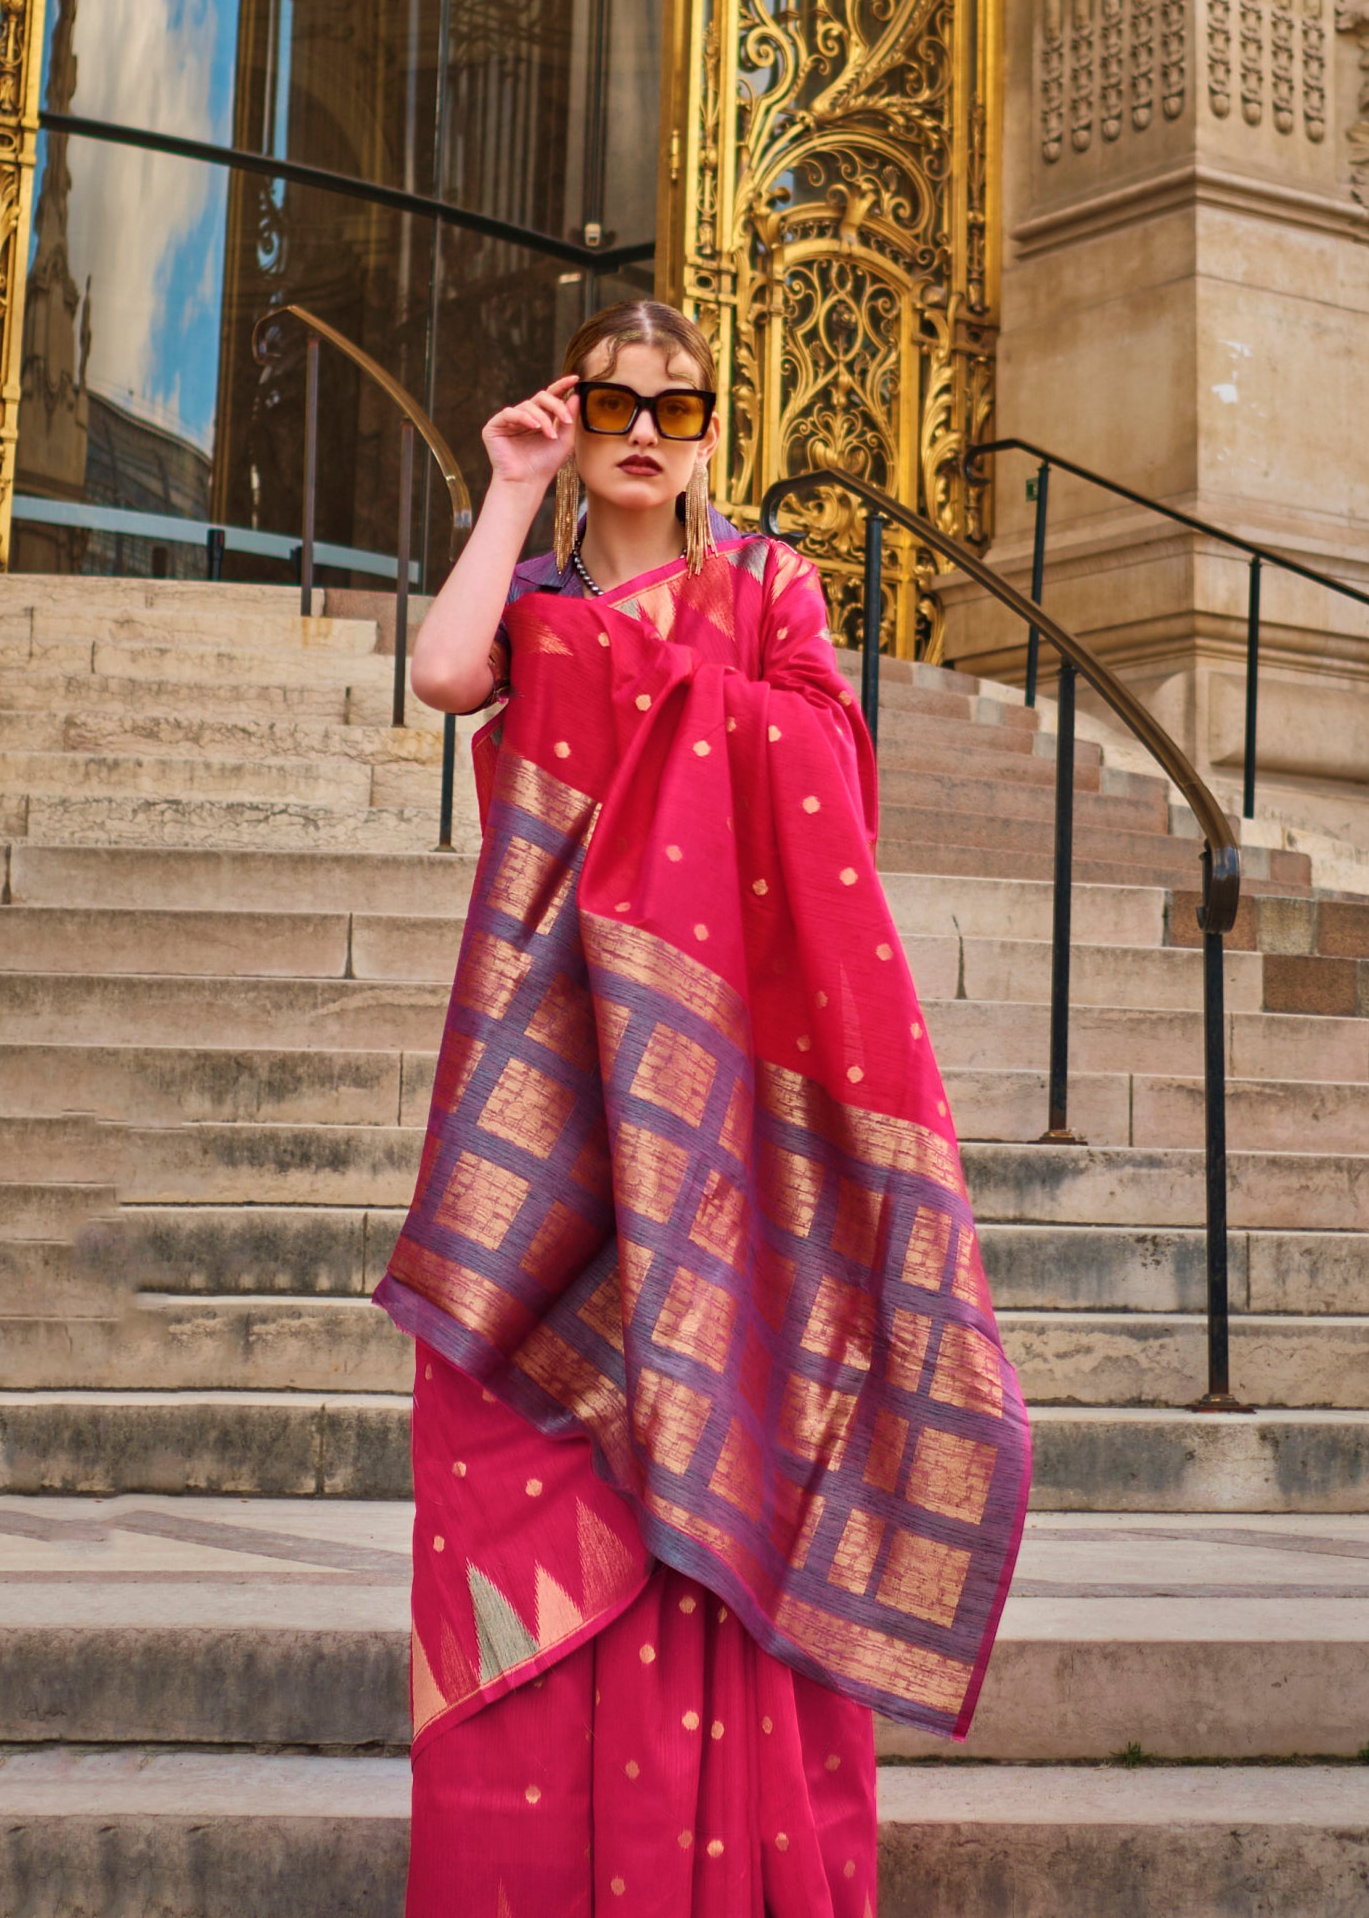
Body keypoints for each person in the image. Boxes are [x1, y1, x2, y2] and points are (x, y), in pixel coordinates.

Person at [374, 300, 1032, 1918]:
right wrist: (511, 488)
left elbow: (830, 771)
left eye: (681, 406)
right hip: (547, 1103)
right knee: (503, 1444)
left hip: (718, 1112)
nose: (647, 430)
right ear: (574, 413)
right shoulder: (533, 602)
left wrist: (676, 691)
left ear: (716, 431)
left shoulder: (767, 591)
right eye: (613, 403)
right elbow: (445, 671)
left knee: (718, 1415)